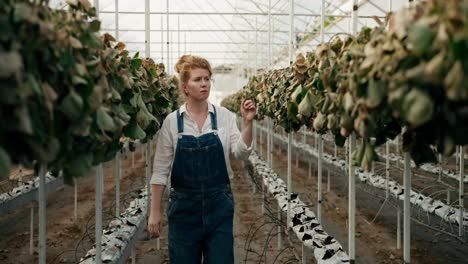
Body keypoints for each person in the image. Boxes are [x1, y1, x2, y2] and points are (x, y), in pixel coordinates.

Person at [147, 54, 256, 264]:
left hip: (219, 206)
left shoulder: (224, 116)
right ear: (185, 87)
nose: (204, 84)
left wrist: (247, 124)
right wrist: (155, 212)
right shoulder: (172, 122)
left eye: (207, 78)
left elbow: (241, 153)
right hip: (183, 209)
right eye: (198, 79)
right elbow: (160, 171)